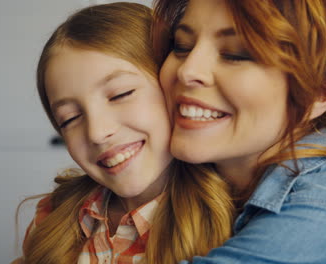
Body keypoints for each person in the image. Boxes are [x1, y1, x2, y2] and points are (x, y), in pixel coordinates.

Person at [153, 0, 326, 263]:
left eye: (235, 53)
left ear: (319, 92)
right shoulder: (195, 186)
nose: (187, 70)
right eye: (181, 46)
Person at [15, 3, 234, 264]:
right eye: (70, 119)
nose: (97, 132)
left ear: (175, 87)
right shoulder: (51, 219)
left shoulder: (237, 223)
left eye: (121, 94)